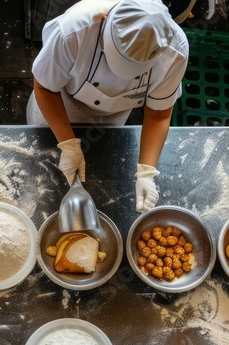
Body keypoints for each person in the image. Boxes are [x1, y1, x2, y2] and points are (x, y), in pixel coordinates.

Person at [28, 0, 188, 212]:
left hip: (113, 117)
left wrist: (147, 172)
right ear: (104, 22)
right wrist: (68, 144)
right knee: (41, 171)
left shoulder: (175, 52)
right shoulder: (73, 29)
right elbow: (46, 88)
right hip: (58, 105)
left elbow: (158, 115)